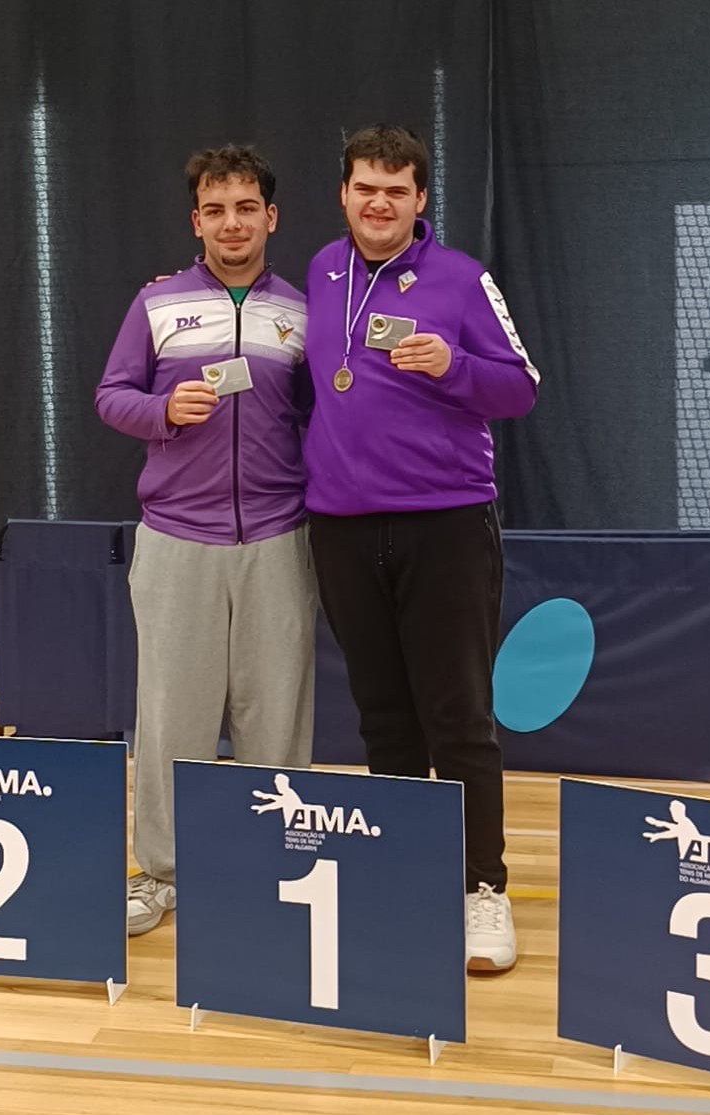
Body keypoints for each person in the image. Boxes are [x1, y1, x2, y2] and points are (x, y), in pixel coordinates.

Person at [304, 124, 539, 971]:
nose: (380, 202)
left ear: (421, 199)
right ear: (344, 194)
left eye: (397, 190)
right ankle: (407, 872)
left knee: (460, 720)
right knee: (383, 717)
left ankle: (484, 889)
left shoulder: (464, 279)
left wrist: (453, 365)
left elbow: (522, 387)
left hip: (445, 526)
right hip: (340, 526)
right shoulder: (321, 273)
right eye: (366, 186)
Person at [95, 145, 316, 935]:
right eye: (216, 209)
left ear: (271, 217)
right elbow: (111, 395)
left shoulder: (300, 312)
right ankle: (160, 873)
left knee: (277, 714)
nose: (232, 223)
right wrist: (162, 414)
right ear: (197, 221)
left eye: (246, 207)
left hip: (280, 540)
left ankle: (274, 864)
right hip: (176, 540)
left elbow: (319, 416)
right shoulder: (156, 306)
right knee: (170, 715)